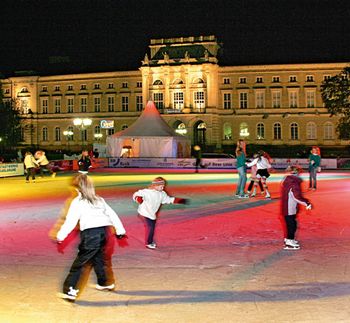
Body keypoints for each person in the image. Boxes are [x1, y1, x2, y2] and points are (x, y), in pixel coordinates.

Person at [53, 174, 126, 301]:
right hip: (105, 232)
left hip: (91, 234)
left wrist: (60, 236)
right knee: (99, 259)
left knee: (80, 263)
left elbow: (70, 221)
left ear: (77, 189)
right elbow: (112, 215)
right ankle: (105, 283)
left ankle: (70, 290)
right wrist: (120, 230)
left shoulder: (78, 202)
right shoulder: (99, 199)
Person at [133, 177, 187, 249]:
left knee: (152, 227)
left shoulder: (162, 194)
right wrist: (138, 198)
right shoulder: (146, 192)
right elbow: (136, 194)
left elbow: (168, 199)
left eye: (163, 186)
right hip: (144, 212)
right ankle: (149, 243)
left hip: (152, 214)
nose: (163, 187)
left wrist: (179, 201)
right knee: (151, 227)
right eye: (161, 186)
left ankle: (150, 239)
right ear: (155, 186)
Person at [281, 165, 312, 250]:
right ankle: (289, 241)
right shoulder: (294, 183)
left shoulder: (288, 180)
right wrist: (307, 203)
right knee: (292, 225)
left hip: (288, 207)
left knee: (291, 224)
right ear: (297, 173)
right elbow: (296, 196)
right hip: (289, 208)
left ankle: (288, 239)